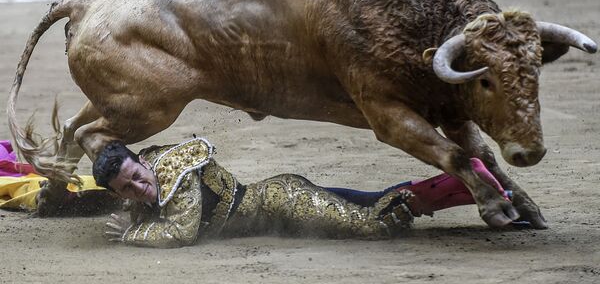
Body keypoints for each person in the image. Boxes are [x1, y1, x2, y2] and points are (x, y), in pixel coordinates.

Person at [93, 137, 510, 248]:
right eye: (126, 189)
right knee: (367, 199)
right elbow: (152, 210)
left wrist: (131, 233)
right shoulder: (145, 173)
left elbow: (180, 232)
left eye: (136, 175)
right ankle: (472, 181)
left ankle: (468, 184)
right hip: (279, 205)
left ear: (143, 162)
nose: (138, 187)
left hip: (283, 202)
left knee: (371, 225)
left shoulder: (177, 171)